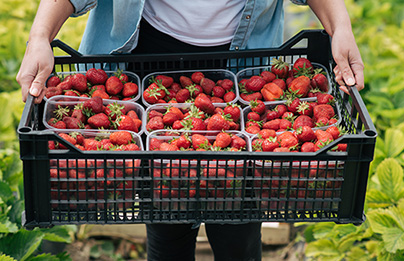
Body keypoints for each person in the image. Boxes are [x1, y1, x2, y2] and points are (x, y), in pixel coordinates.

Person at [16, 1, 364, 260]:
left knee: (239, 223)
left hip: (242, 65)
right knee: (167, 214)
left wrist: (341, 27)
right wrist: (41, 36)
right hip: (146, 55)